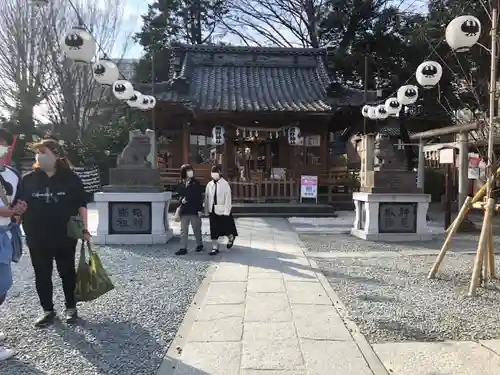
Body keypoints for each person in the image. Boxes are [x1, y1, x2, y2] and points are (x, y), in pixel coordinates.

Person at [15, 139, 90, 328]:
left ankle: (71, 307)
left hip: (65, 234)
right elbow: (19, 205)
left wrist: (85, 228)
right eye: (37, 153)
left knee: (67, 272)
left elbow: (82, 205)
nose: (39, 156)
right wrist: (18, 212)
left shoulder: (71, 179)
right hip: (36, 235)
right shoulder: (28, 179)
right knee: (42, 273)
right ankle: (47, 310)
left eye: (44, 152)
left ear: (56, 154)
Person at [0, 129, 27, 361]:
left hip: (6, 234)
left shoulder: (12, 174)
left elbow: (19, 200)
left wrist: (18, 212)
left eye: (3, 143)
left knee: (2, 285)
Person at [204, 165, 238, 255]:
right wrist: (206, 209)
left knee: (226, 228)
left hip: (223, 210)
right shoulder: (209, 184)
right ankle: (215, 247)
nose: (214, 174)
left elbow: (228, 198)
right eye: (212, 173)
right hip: (212, 209)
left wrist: (227, 211)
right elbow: (206, 198)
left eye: (215, 172)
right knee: (214, 229)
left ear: (219, 173)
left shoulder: (225, 184)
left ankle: (230, 237)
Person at [175, 164, 204, 255]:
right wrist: (181, 200)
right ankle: (183, 248)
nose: (190, 172)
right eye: (188, 170)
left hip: (194, 209)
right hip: (184, 210)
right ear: (184, 172)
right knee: (183, 230)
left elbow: (199, 197)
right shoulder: (180, 183)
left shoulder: (196, 183)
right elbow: (178, 196)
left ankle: (199, 244)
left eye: (191, 170)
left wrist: (200, 209)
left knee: (196, 229)